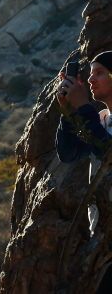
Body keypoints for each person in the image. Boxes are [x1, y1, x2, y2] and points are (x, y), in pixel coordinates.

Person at [55, 51, 112, 233]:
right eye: (90, 74)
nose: (90, 80)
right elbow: (69, 154)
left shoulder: (96, 121)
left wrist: (84, 107)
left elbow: (108, 154)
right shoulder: (102, 120)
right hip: (101, 233)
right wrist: (69, 111)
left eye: (99, 73)